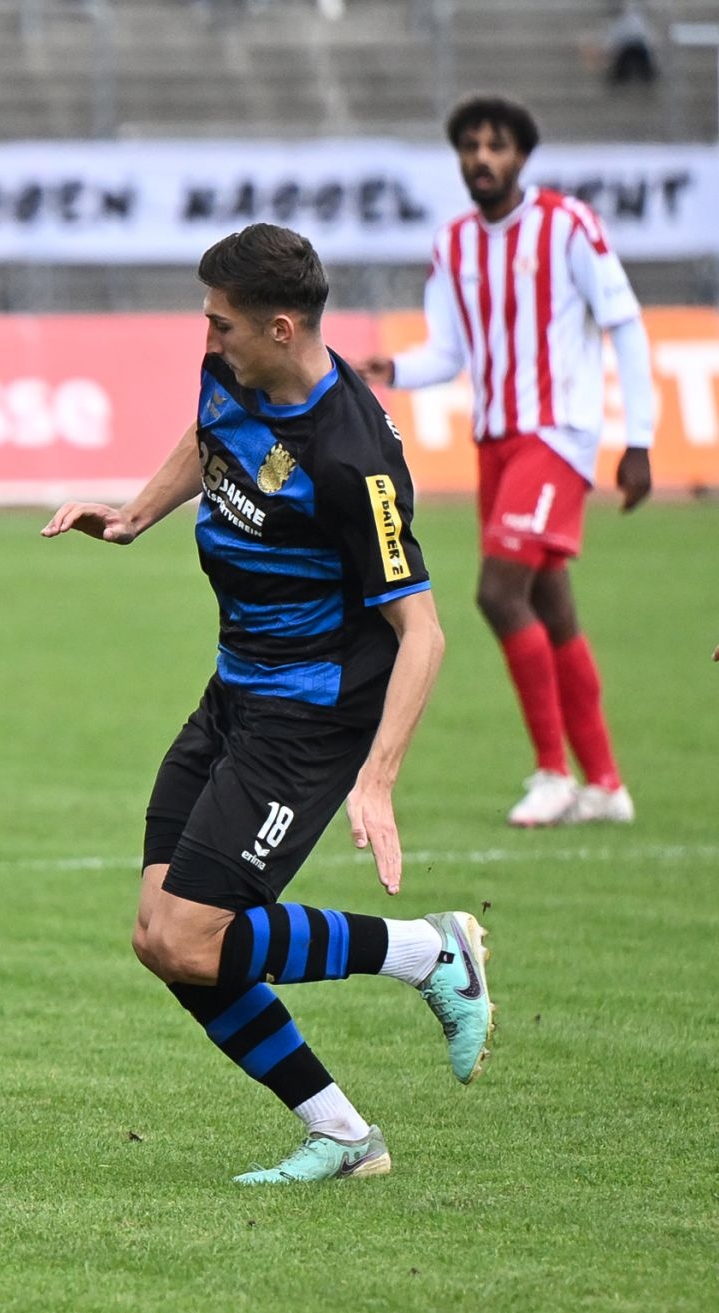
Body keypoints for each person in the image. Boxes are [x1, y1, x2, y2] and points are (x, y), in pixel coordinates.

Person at [43, 223, 491, 1185]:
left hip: (310, 715)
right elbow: (210, 438)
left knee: (191, 936)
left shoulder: (353, 457)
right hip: (236, 685)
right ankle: (344, 1134)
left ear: (281, 327)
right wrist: (133, 515)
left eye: (222, 324)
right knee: (162, 937)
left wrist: (378, 779)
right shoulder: (233, 370)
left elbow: (423, 631)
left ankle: (427, 951)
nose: (208, 339)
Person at [359, 95, 653, 828]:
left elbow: (624, 323)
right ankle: (606, 784)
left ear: (522, 155)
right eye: (470, 146)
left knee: (497, 593)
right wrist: (392, 369)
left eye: (495, 145)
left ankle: (553, 773)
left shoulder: (567, 225)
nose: (481, 158)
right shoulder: (454, 243)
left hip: (555, 435)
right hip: (495, 441)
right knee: (551, 605)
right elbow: (449, 351)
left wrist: (639, 438)